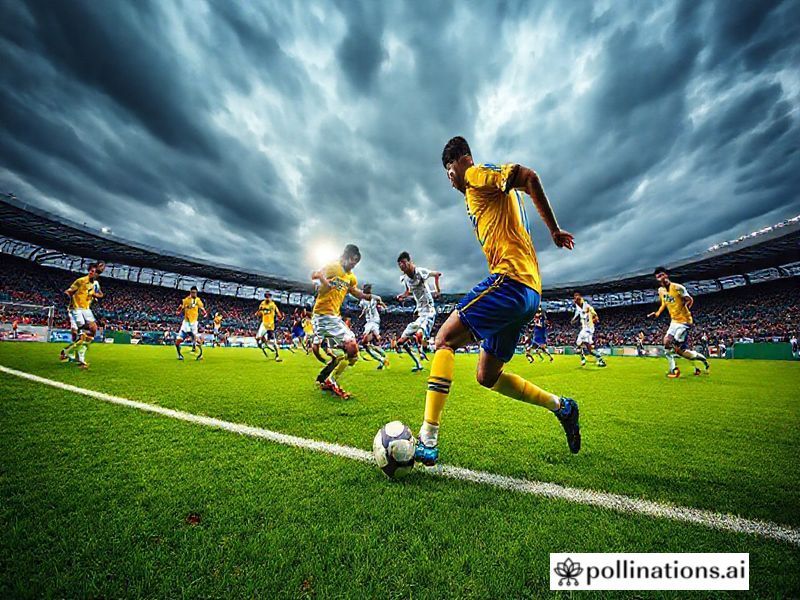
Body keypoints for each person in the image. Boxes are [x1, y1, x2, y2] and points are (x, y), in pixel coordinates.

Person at [414, 136, 581, 467]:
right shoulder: (480, 196)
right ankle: (562, 407)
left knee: (443, 339)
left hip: (511, 282)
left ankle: (427, 439)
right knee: (487, 376)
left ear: (457, 163)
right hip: (528, 292)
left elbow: (528, 177)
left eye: (448, 171)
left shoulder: (477, 174)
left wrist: (555, 229)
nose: (450, 181)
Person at [311, 244, 381, 399]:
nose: (353, 264)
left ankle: (326, 377)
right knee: (352, 347)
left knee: (352, 355)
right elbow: (315, 274)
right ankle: (331, 381)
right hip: (323, 316)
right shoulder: (333, 267)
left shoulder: (351, 277)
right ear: (345, 256)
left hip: (333, 318)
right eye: (352, 260)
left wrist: (372, 297)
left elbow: (356, 292)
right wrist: (325, 282)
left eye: (356, 263)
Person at [647, 266, 710, 377]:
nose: (660, 278)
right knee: (667, 343)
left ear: (666, 275)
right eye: (658, 277)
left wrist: (684, 309)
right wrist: (657, 313)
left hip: (685, 322)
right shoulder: (661, 291)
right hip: (674, 322)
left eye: (662, 275)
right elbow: (664, 303)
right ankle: (674, 369)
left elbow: (690, 300)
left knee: (676, 343)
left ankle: (701, 362)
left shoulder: (678, 288)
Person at [395, 252, 442, 372]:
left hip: (429, 310)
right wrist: (403, 296)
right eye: (399, 263)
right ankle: (418, 363)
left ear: (410, 262)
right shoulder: (405, 278)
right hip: (420, 313)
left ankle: (422, 349)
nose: (401, 265)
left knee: (419, 334)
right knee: (400, 343)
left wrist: (437, 290)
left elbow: (437, 274)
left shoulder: (420, 272)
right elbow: (408, 291)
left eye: (404, 262)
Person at [60, 263, 103, 368]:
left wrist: (94, 295)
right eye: (91, 271)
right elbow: (69, 291)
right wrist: (65, 296)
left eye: (95, 272)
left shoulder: (96, 284)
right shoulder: (80, 281)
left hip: (86, 310)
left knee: (92, 330)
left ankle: (76, 356)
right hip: (75, 309)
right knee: (78, 334)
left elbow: (101, 294)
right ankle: (69, 353)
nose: (93, 273)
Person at [571, 292, 607, 367]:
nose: (575, 302)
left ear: (580, 300)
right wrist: (574, 319)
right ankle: (600, 360)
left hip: (588, 329)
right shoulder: (578, 307)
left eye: (576, 300)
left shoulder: (588, 307)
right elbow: (577, 313)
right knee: (590, 350)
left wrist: (593, 320)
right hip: (585, 329)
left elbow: (596, 318)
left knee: (578, 344)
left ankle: (582, 357)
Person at [359, 284, 389, 369]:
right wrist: (362, 314)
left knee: (369, 339)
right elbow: (364, 309)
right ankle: (382, 359)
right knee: (365, 344)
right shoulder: (362, 300)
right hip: (369, 321)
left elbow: (380, 302)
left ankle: (382, 356)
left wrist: (384, 307)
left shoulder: (375, 298)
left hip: (374, 321)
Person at [175, 286, 207, 361]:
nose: (194, 294)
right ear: (190, 292)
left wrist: (204, 312)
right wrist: (178, 311)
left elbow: (202, 308)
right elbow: (180, 306)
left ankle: (200, 354)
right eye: (193, 292)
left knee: (196, 340)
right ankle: (180, 355)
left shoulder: (198, 300)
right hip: (185, 323)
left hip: (193, 324)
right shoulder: (186, 300)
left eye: (195, 292)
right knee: (177, 342)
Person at [255, 292, 284, 362]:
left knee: (273, 341)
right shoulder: (262, 303)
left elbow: (278, 313)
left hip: (270, 325)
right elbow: (258, 314)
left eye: (269, 296)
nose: (267, 298)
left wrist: (280, 317)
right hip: (264, 324)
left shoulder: (272, 304)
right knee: (257, 338)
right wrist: (259, 310)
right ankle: (265, 345)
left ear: (270, 297)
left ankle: (277, 356)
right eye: (266, 296)